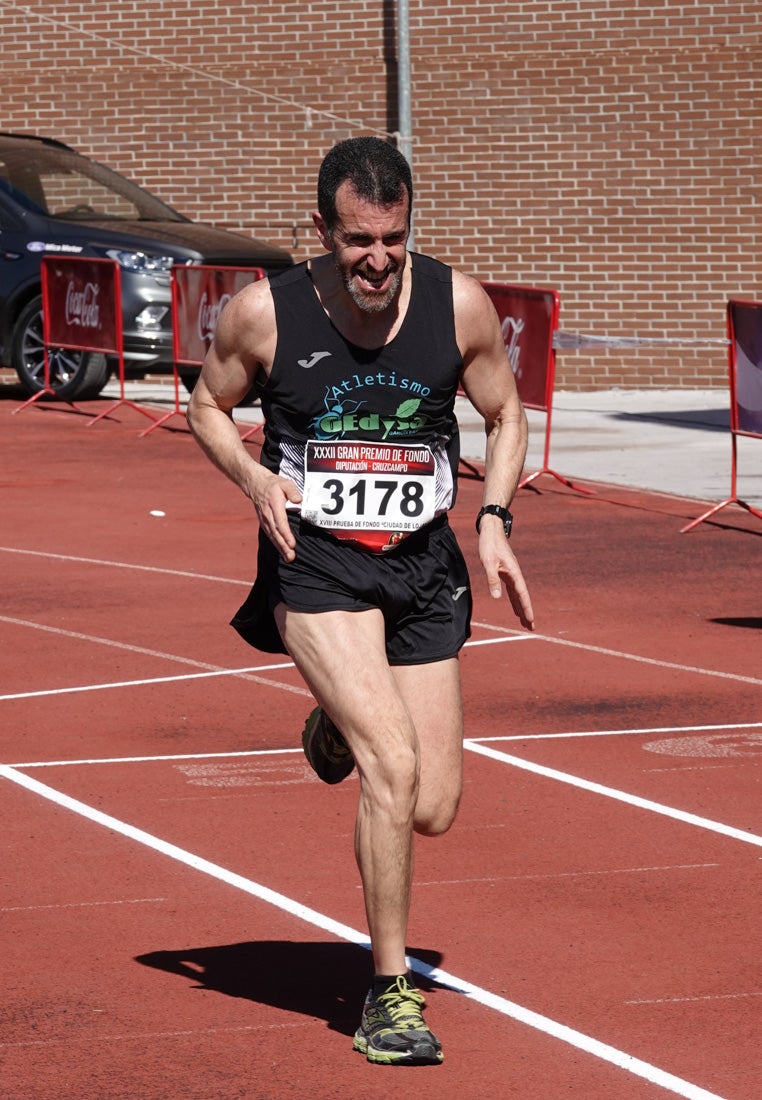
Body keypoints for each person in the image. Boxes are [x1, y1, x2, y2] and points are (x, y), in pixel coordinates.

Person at [187, 135, 534, 1066]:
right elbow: (206, 404)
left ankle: (332, 726)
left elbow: (506, 414)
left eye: (393, 237)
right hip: (320, 566)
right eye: (357, 241)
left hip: (423, 567)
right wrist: (256, 481)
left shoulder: (458, 304)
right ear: (322, 231)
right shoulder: (265, 315)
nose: (378, 260)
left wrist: (494, 516)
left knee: (435, 806)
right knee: (394, 765)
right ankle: (387, 995)